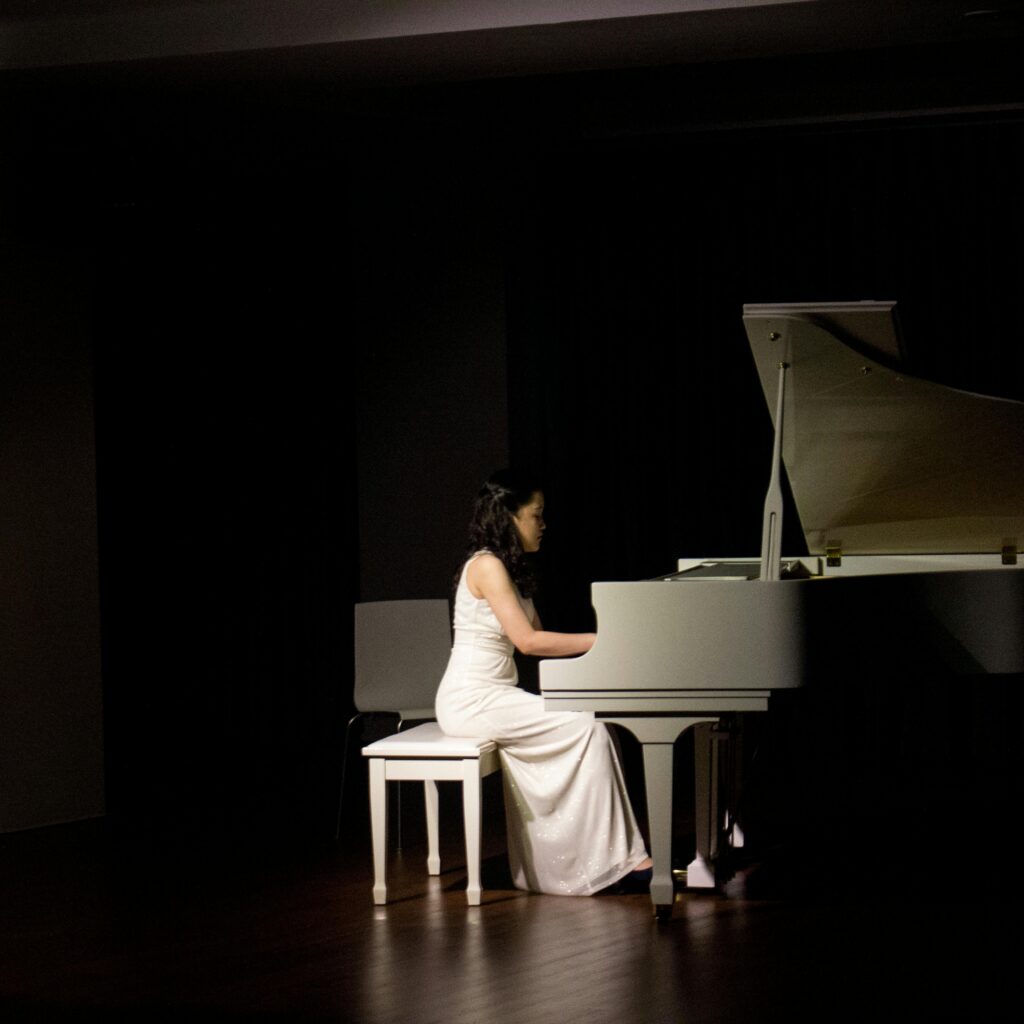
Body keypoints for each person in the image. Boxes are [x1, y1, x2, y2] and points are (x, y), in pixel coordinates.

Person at [435, 469, 652, 895]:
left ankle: (601, 860)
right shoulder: (486, 565)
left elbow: (540, 640)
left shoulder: (508, 570)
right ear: (510, 517)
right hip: (471, 699)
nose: (544, 523)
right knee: (588, 728)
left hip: (496, 695)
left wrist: (594, 657)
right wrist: (603, 639)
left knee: (593, 723)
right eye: (537, 515)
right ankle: (616, 862)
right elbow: (529, 641)